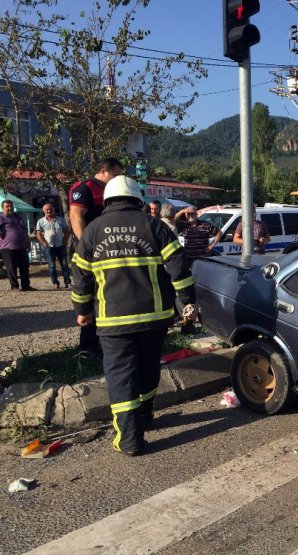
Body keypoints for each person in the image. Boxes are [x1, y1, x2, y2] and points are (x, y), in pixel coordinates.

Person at [71, 176, 197, 456]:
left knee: (121, 376)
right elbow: (179, 268)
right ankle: (146, 416)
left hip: (114, 321)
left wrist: (82, 311)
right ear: (137, 199)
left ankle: (129, 438)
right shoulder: (155, 227)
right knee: (148, 367)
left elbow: (80, 276)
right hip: (155, 318)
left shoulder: (93, 230)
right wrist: (188, 303)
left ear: (107, 200)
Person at [68, 157, 125, 357]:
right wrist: (87, 247)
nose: (118, 179)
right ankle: (87, 346)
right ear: (103, 170)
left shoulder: (112, 191)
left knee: (107, 295)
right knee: (90, 296)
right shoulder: (85, 188)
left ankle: (106, 342)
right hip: (91, 251)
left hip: (107, 251)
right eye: (115, 175)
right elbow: (76, 216)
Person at [35, 203, 71, 288]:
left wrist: (65, 241)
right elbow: (38, 234)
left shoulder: (60, 220)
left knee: (65, 265)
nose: (49, 211)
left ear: (54, 209)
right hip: (49, 247)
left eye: (50, 209)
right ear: (44, 211)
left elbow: (66, 231)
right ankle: (55, 282)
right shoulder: (41, 221)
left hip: (60, 246)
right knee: (51, 265)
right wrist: (44, 244)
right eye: (47, 209)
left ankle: (67, 282)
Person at [0, 200, 33, 291]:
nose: (10, 208)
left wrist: (28, 242)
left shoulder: (18, 217)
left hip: (21, 246)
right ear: (3, 208)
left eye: (11, 206)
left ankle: (26, 286)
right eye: (7, 207)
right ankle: (14, 286)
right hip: (7, 247)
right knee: (11, 267)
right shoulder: (1, 217)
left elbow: (24, 231)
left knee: (25, 266)